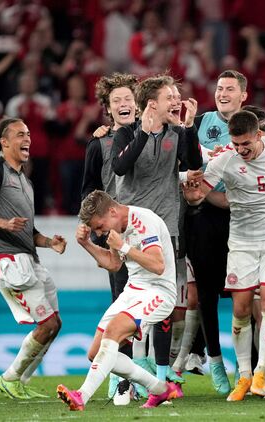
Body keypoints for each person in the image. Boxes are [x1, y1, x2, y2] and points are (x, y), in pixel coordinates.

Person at [183, 111, 265, 401]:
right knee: (241, 309)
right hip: (241, 242)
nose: (241, 150)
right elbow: (198, 195)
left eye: (246, 144)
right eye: (236, 144)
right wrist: (191, 194)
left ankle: (260, 372)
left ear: (259, 135)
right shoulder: (225, 158)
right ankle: (243, 376)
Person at [111, 74, 202, 390]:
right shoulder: (126, 133)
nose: (177, 101)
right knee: (131, 305)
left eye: (177, 95)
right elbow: (120, 167)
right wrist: (144, 134)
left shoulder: (176, 132)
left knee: (164, 305)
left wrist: (189, 128)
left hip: (166, 229)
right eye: (170, 97)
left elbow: (194, 162)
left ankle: (160, 380)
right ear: (152, 104)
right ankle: (126, 379)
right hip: (132, 231)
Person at [58, 191, 181, 411]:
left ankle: (81, 396)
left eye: (99, 226)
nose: (99, 232)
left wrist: (124, 246)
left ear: (112, 211)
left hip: (159, 292)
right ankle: (160, 389)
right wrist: (86, 243)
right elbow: (114, 264)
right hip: (133, 290)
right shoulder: (115, 228)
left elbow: (158, 265)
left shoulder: (144, 221)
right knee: (95, 354)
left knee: (113, 330)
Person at [0, 117, 66, 400]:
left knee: (55, 324)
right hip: (9, 260)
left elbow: (29, 230)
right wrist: (4, 224)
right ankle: (10, 379)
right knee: (47, 325)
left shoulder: (25, 180)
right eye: (20, 134)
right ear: (4, 142)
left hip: (30, 258)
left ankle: (21, 381)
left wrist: (49, 242)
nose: (27, 139)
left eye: (28, 134)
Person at [186, 70, 248, 395]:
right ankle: (215, 361)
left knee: (245, 294)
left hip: (245, 217)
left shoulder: (254, 125)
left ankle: (249, 367)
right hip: (205, 216)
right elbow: (182, 162)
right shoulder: (199, 123)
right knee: (206, 294)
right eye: (219, 88)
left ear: (243, 96)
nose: (223, 93)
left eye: (230, 89)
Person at [80, 72, 139, 403]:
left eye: (128, 98)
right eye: (116, 100)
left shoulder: (153, 134)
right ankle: (123, 380)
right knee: (123, 305)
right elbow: (88, 190)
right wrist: (92, 226)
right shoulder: (98, 143)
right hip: (116, 236)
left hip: (149, 230)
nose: (123, 103)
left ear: (138, 103)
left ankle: (155, 374)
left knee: (160, 307)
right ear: (108, 107)